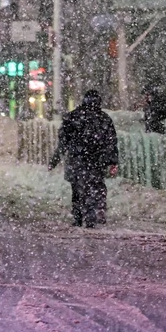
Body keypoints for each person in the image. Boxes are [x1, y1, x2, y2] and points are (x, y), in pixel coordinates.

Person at [49, 90, 119, 228]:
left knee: (77, 189)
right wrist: (113, 161)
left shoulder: (73, 117)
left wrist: (54, 160)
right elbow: (111, 142)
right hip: (96, 161)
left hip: (76, 160)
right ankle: (93, 215)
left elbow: (63, 142)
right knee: (96, 187)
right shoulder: (104, 119)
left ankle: (78, 217)